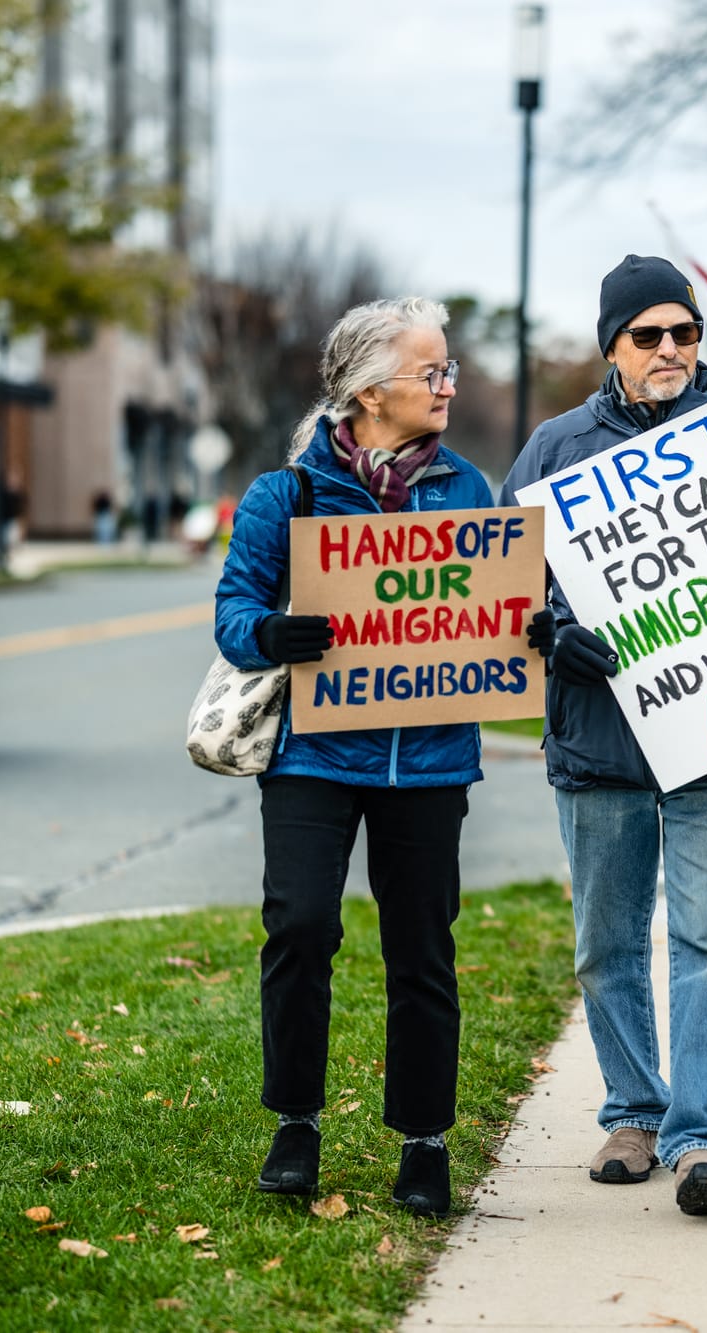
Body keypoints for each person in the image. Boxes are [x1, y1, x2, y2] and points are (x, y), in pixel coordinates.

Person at [501, 254, 707, 1217]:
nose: (670, 347)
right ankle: (633, 1112)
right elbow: (498, 592)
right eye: (648, 334)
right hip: (598, 744)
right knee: (607, 945)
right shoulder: (554, 449)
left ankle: (702, 1136)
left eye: (685, 330)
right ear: (613, 347)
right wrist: (550, 632)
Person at [215, 297, 499, 1218]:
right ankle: (296, 1123)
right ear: (372, 392)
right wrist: (272, 632)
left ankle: (424, 1139)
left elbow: (502, 608)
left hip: (430, 760)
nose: (448, 386)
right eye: (432, 372)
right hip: (313, 756)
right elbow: (233, 614)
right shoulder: (287, 496)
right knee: (300, 928)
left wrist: (527, 630)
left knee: (423, 949)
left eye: (449, 369)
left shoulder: (469, 491)